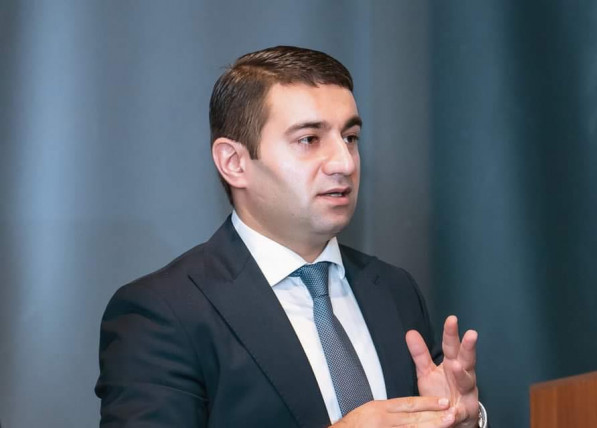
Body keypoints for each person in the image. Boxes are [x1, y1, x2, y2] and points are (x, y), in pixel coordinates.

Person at [95, 46, 485, 427]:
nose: (344, 162)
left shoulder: (394, 290)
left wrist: (457, 421)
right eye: (309, 140)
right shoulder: (163, 312)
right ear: (234, 162)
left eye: (350, 137)